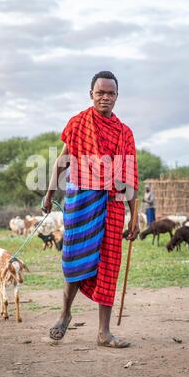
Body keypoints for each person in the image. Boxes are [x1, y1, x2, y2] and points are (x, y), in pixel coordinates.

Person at [43, 71, 139, 348]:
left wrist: (133, 217)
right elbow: (62, 162)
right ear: (91, 94)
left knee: (109, 264)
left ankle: (103, 333)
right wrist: (49, 194)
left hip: (112, 205)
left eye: (111, 93)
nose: (105, 97)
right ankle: (64, 314)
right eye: (100, 92)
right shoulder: (78, 123)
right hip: (81, 203)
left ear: (117, 96)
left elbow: (130, 176)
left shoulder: (124, 133)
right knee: (74, 257)